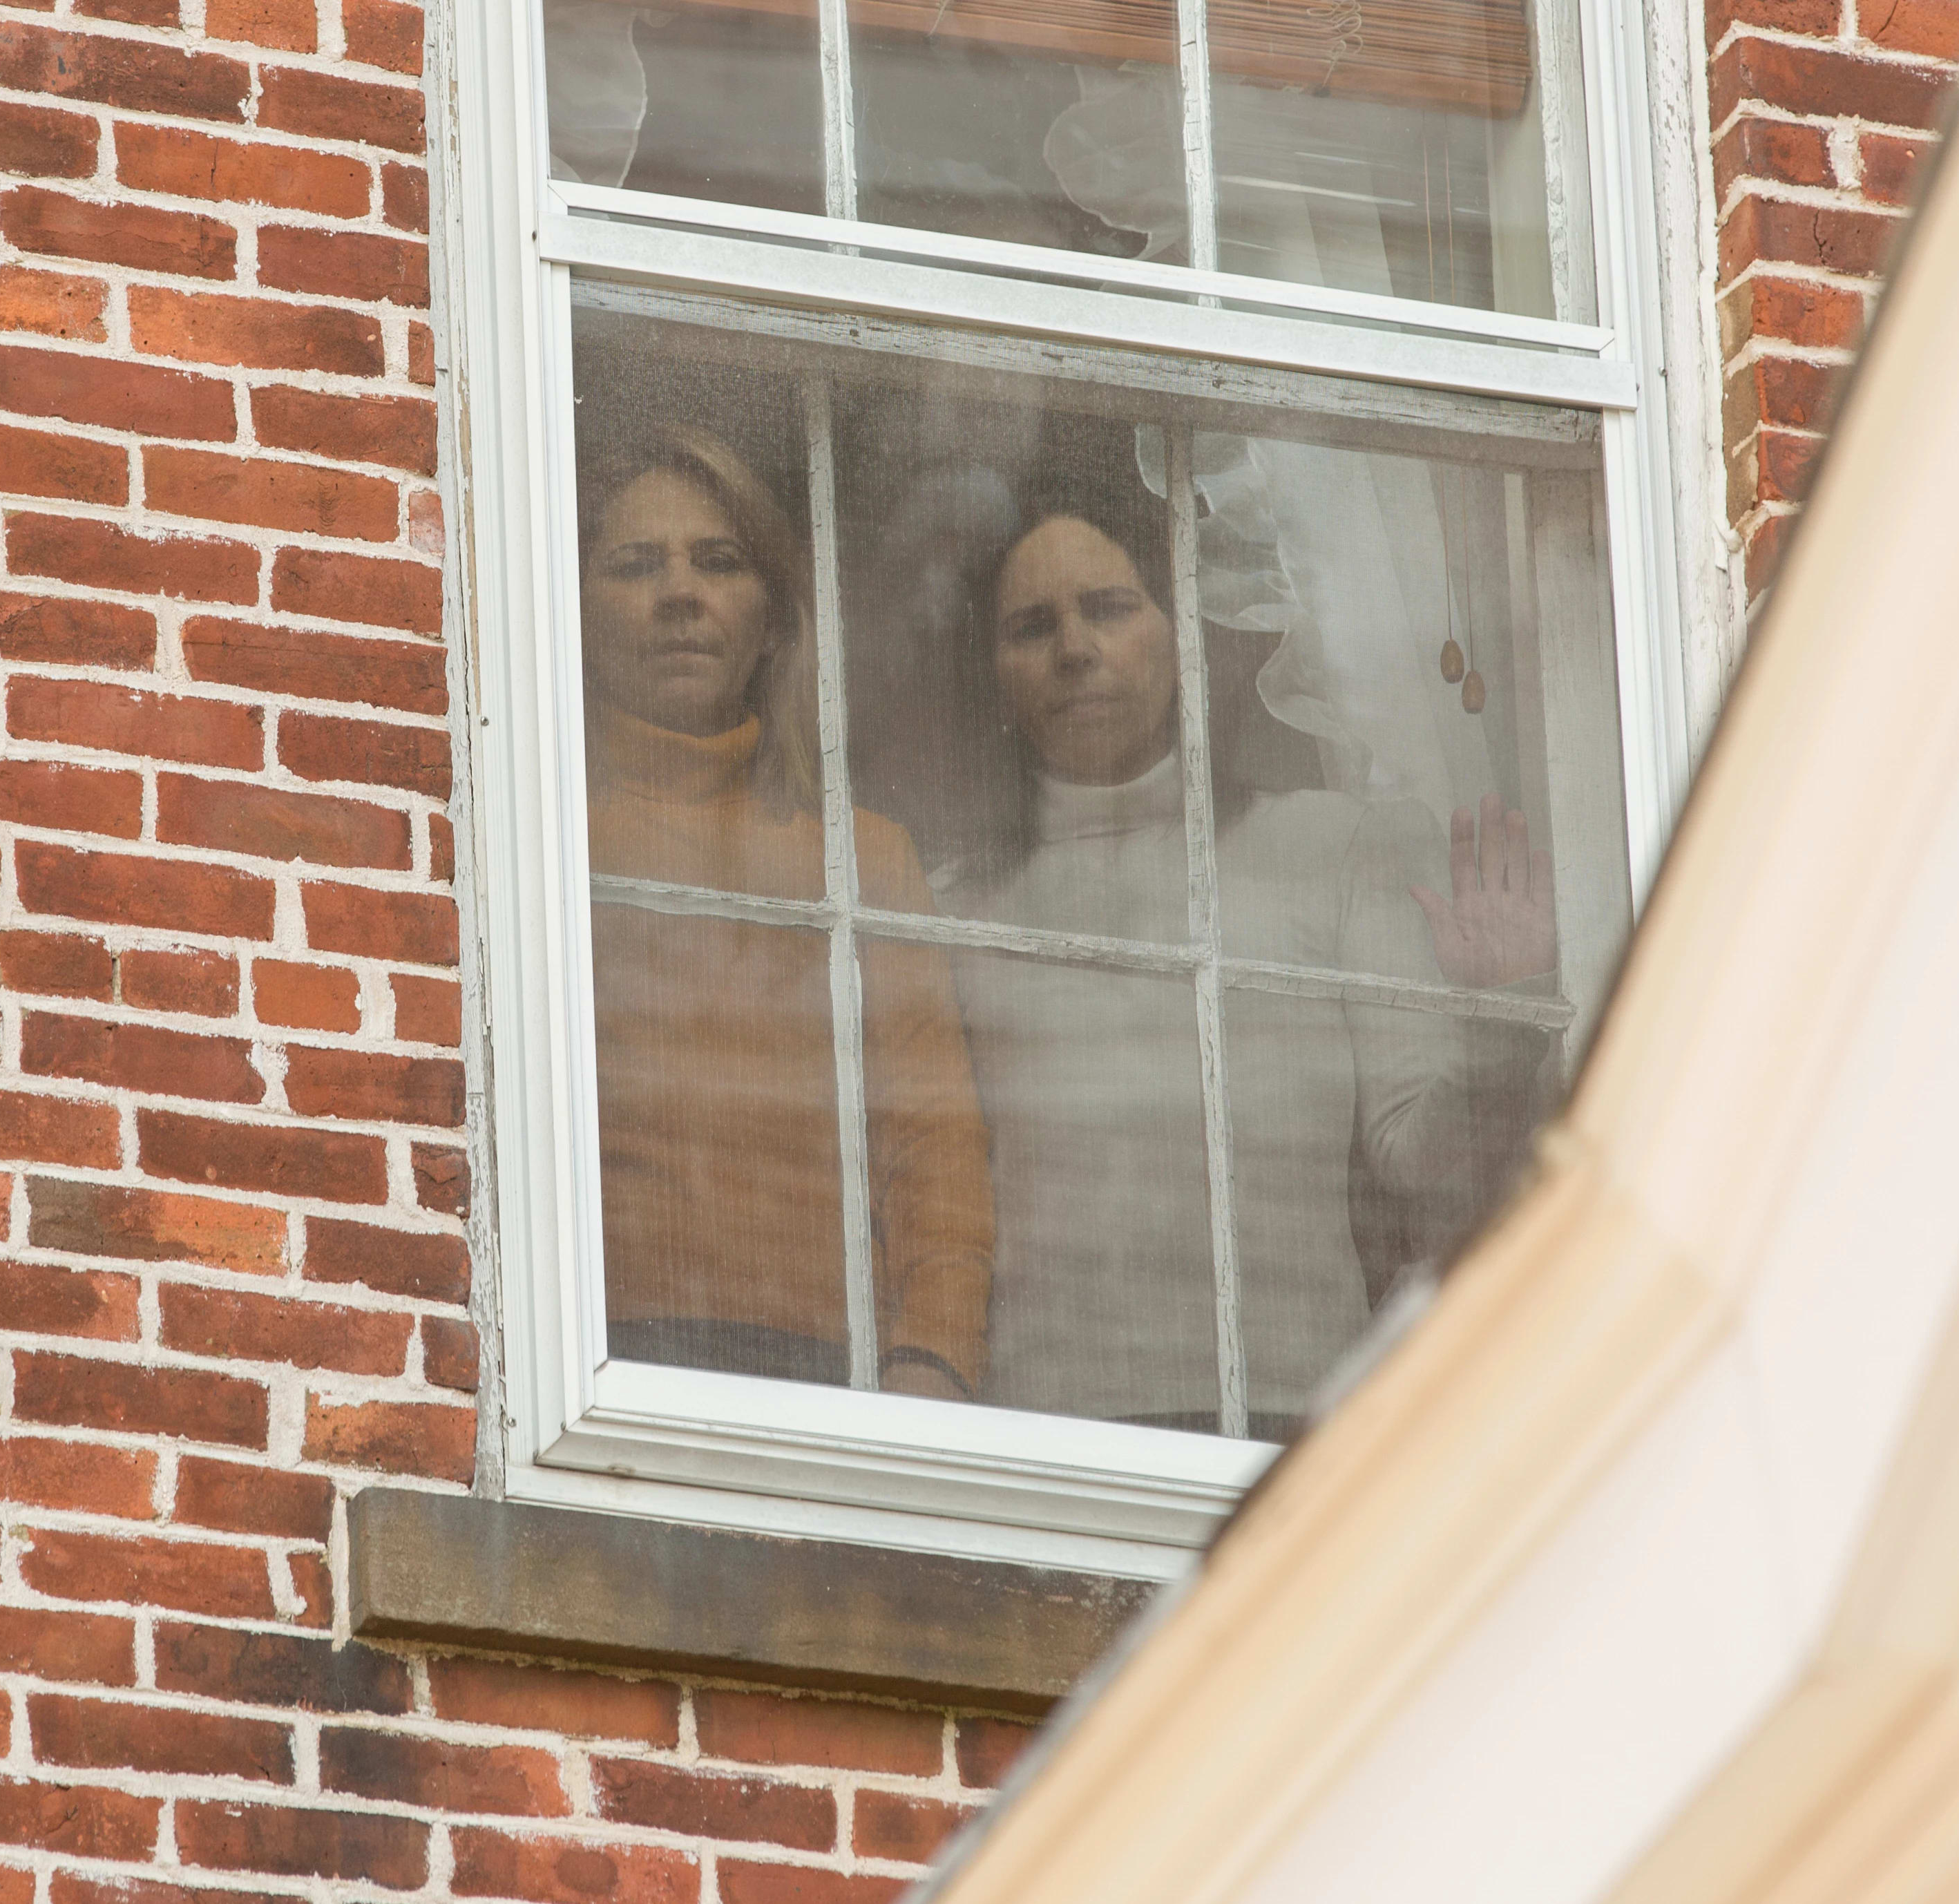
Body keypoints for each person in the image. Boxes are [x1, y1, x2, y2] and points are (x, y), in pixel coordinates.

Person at [948, 471, 1556, 1435]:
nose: (1074, 649)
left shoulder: (1331, 848)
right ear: (994, 675)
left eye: (1110, 609)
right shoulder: (954, 913)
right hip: (1038, 1434)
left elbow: (1427, 1169)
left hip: (1283, 1425)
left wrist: (1504, 1010)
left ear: (1182, 636)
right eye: (1032, 627)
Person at [577, 424, 996, 1402]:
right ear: (581, 611)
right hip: (591, 1367)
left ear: (771, 617)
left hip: (830, 1377)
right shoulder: (543, 837)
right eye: (637, 566)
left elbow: (933, 1143)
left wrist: (931, 1362)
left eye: (718, 563)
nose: (680, 593)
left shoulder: (863, 859)